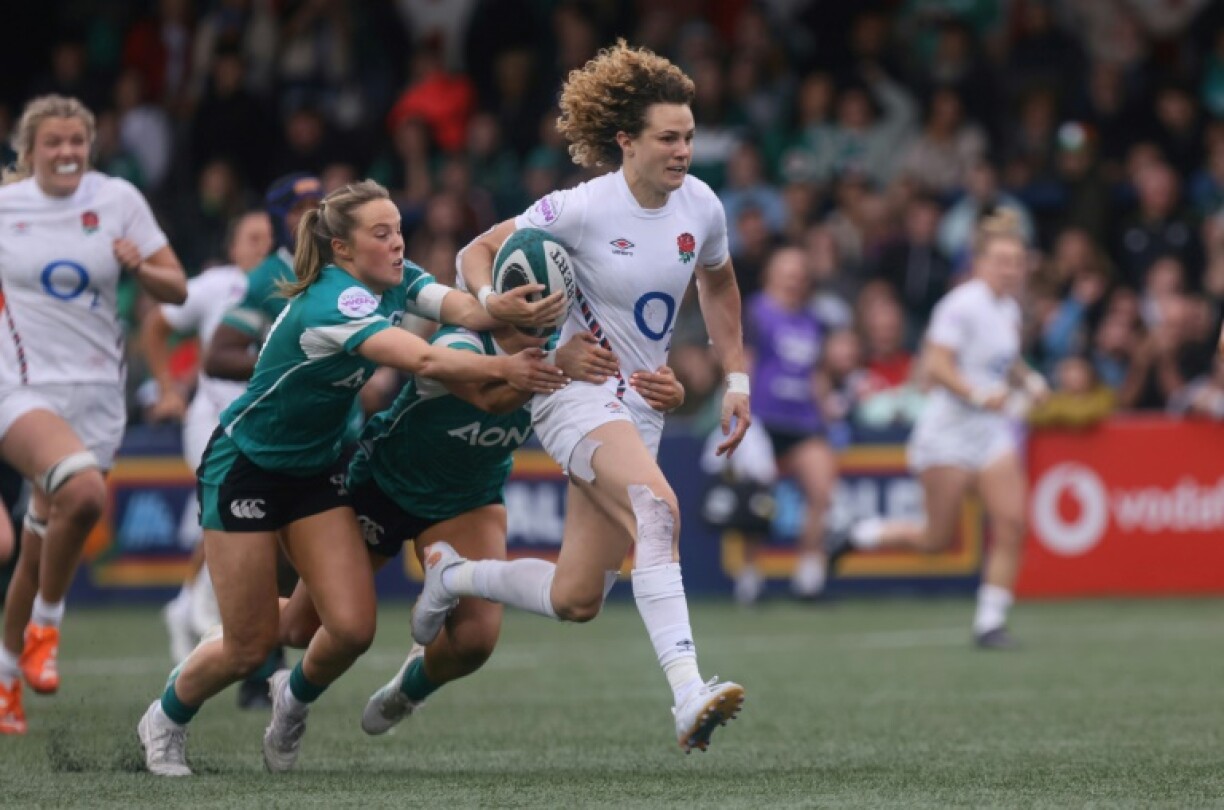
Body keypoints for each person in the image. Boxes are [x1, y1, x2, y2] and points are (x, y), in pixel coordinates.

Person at [136, 179, 565, 776]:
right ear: (342, 249)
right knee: (251, 645)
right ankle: (164, 719)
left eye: (398, 230)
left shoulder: (394, 277)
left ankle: (290, 703)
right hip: (247, 468)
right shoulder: (335, 300)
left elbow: (460, 306)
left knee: (353, 627)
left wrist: (501, 305)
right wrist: (510, 365)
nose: (397, 243)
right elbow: (423, 358)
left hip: (315, 470)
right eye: (381, 234)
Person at [422, 40, 751, 753]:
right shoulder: (579, 208)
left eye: (690, 136)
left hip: (638, 411)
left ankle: (453, 574)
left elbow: (718, 283)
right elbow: (475, 250)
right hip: (573, 395)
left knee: (577, 599)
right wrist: (496, 307)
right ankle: (687, 692)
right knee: (658, 510)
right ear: (626, 141)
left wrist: (732, 376)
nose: (684, 150)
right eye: (669, 137)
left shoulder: (703, 206)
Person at [275, 323, 667, 736]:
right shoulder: (458, 341)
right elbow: (489, 397)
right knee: (300, 628)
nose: (538, 311)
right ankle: (261, 662)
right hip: (385, 486)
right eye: (526, 298)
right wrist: (557, 364)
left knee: (475, 641)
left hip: (468, 499)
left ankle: (405, 691)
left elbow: (622, 394)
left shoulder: (571, 347)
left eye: (548, 300)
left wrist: (666, 391)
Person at [0, 95, 188, 735]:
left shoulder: (118, 199)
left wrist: (143, 268)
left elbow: (176, 287)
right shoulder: (6, 209)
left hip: (98, 396)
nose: (66, 154)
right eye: (53, 143)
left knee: (37, 542)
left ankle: (3, 684)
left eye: (77, 142)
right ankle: (46, 631)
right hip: (21, 389)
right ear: (29, 151)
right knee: (81, 497)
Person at [829, 210, 1048, 648]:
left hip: (990, 433)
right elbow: (936, 365)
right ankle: (860, 534)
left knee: (1011, 523)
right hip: (948, 433)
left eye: (1017, 260)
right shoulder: (960, 305)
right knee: (936, 539)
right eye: (1002, 259)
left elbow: (1005, 361)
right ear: (981, 262)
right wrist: (979, 394)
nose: (1011, 268)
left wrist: (1030, 380)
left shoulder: (1008, 308)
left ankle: (990, 622)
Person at [141, 209, 274, 663]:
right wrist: (165, 387)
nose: (262, 244)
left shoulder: (291, 284)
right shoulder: (217, 285)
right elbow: (156, 324)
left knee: (249, 522)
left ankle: (186, 607)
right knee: (225, 513)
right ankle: (200, 611)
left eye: (268, 236)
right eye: (251, 237)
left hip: (266, 424)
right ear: (233, 247)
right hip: (213, 420)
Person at [744, 246, 837, 599]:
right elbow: (745, 360)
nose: (794, 279)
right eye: (787, 271)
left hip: (802, 421)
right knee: (754, 501)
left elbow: (816, 371)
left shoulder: (814, 319)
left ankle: (809, 576)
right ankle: (751, 575)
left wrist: (826, 406)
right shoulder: (756, 311)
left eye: (800, 272)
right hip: (762, 419)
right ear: (771, 274)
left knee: (822, 491)